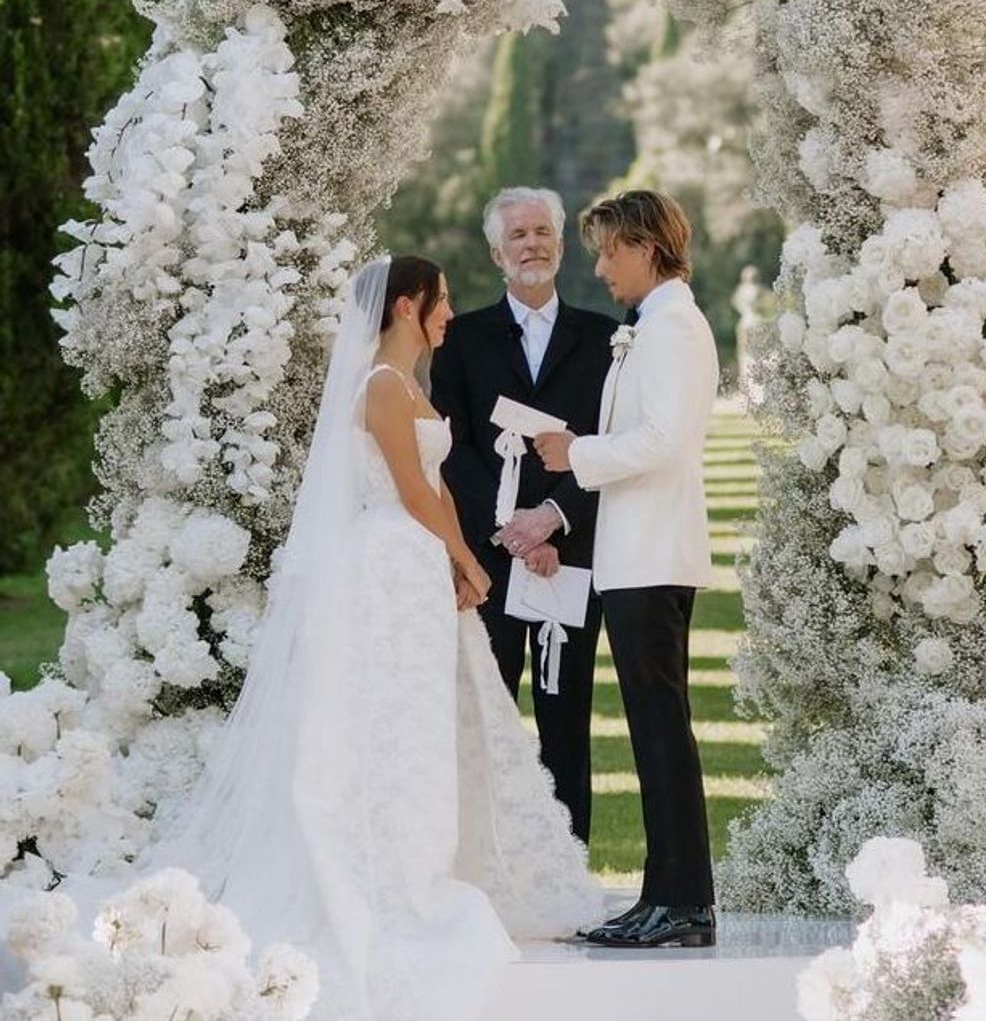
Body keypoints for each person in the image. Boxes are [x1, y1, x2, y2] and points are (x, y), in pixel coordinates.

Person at [130, 254, 603, 1019]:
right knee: (391, 720)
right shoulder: (382, 388)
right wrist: (466, 562)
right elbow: (414, 493)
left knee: (425, 721)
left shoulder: (410, 385)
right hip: (387, 565)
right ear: (409, 305)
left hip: (415, 565)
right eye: (442, 301)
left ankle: (432, 857)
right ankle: (392, 873)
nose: (450, 313)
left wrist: (458, 561)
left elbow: (439, 487)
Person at [535, 190, 719, 948]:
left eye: (611, 250)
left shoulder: (674, 327)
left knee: (660, 732)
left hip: (652, 557)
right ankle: (665, 895)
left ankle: (682, 904)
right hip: (634, 556)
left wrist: (575, 454)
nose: (602, 267)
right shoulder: (653, 325)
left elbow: (666, 441)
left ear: (647, 246)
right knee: (653, 732)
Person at [430, 188, 616, 843]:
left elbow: (612, 443)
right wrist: (514, 530)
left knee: (567, 718)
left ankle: (570, 870)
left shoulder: (606, 342)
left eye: (542, 232)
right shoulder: (462, 340)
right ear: (495, 252)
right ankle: (487, 863)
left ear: (561, 245)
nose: (532, 244)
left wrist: (554, 520)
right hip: (492, 561)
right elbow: (454, 452)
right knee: (489, 717)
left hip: (572, 552)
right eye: (518, 236)